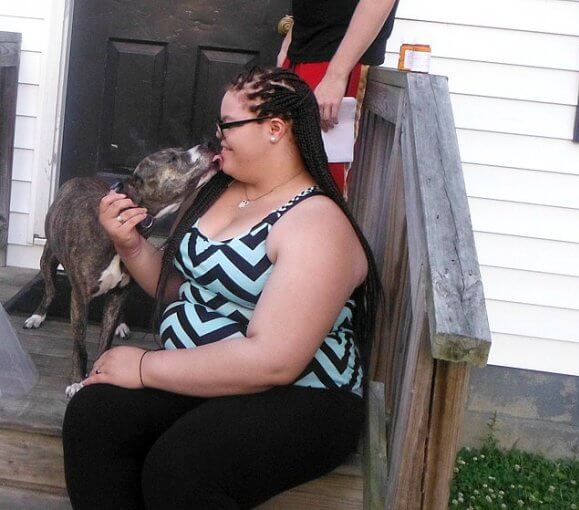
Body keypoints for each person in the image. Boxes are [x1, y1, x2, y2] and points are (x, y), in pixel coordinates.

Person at [62, 66, 381, 509]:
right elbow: (180, 291)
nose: (217, 135)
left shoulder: (317, 224)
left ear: (275, 129)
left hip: (299, 397)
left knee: (181, 467)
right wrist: (130, 244)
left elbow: (273, 362)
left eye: (227, 125)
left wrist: (143, 368)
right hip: (204, 373)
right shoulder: (217, 189)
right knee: (95, 415)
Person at [277, 0, 398, 195]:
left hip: (332, 63)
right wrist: (289, 45)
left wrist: (336, 75)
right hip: (301, 56)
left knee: (322, 184)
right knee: (284, 173)